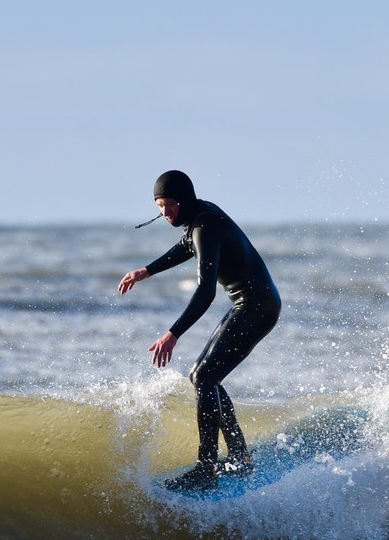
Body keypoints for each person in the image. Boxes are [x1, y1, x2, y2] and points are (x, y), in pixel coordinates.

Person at [118, 170, 281, 491]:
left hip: (256, 306)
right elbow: (185, 244)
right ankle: (238, 457)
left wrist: (172, 333)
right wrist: (146, 271)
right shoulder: (200, 218)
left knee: (205, 376)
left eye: (170, 205)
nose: (166, 213)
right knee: (204, 376)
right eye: (160, 206)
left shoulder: (206, 226)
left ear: (185, 200)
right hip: (252, 304)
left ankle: (206, 469)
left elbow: (206, 291)